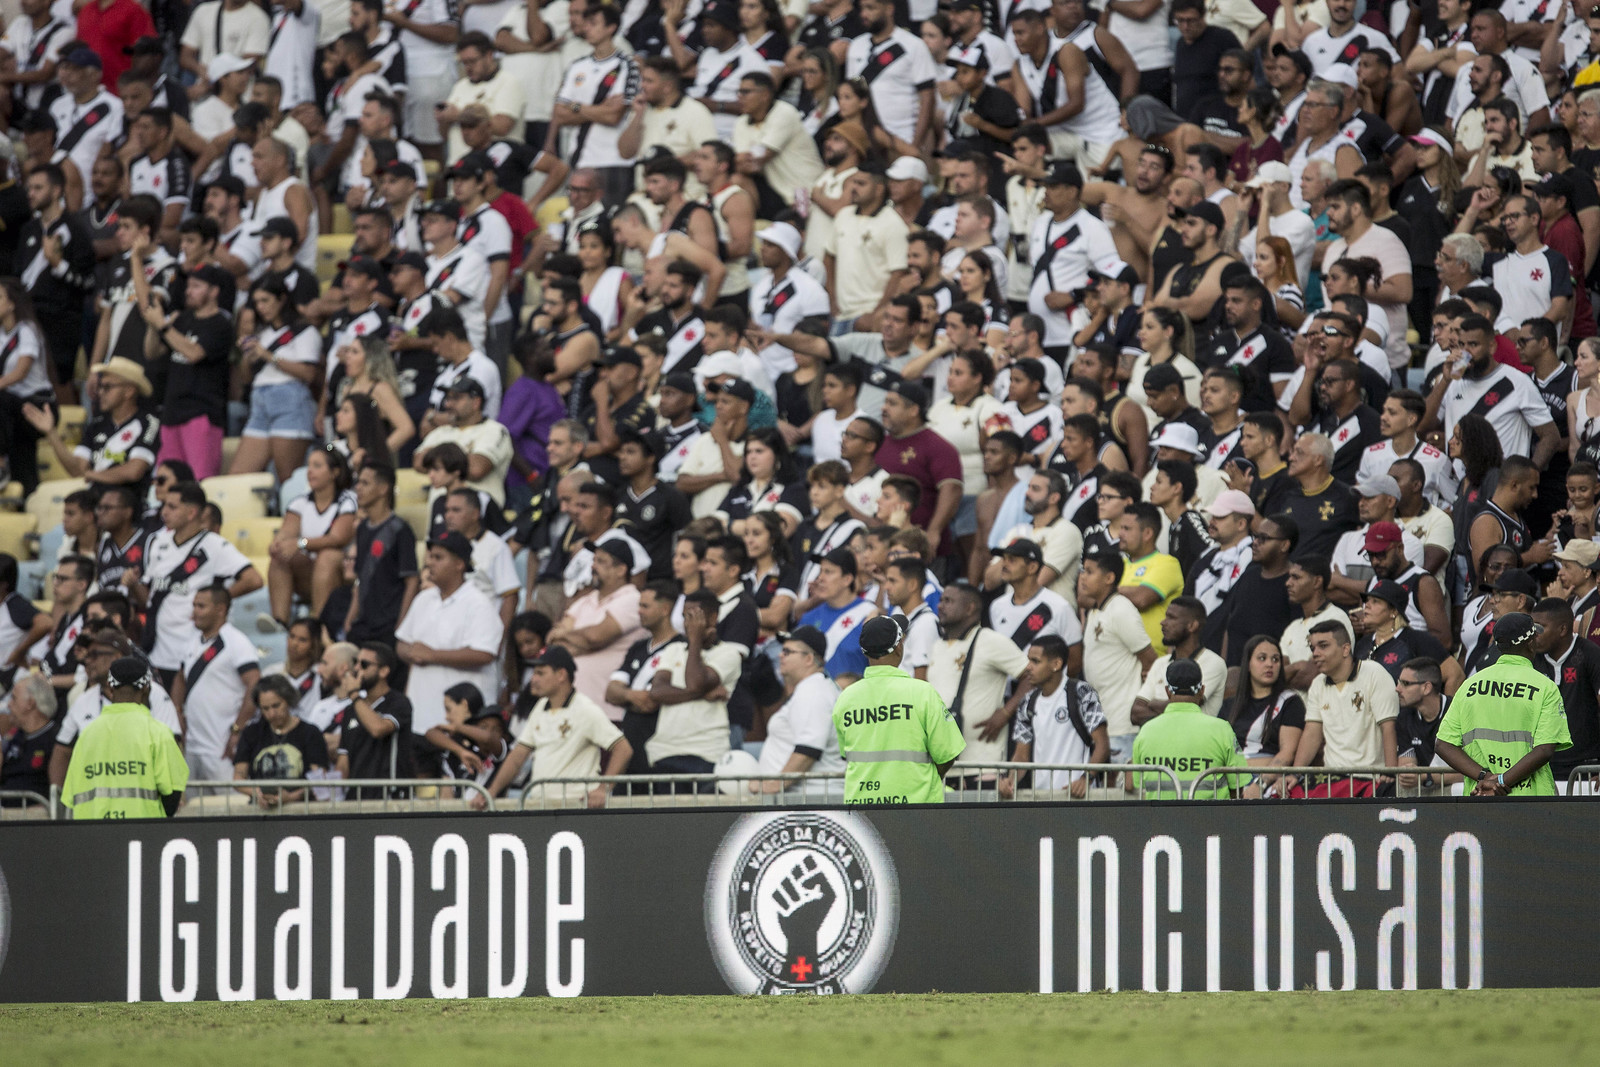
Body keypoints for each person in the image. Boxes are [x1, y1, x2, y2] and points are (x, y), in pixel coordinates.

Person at [125, 480, 262, 688]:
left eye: (172, 507)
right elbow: (150, 600)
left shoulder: (215, 546)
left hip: (191, 649)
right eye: (164, 506)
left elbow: (254, 579)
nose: (164, 512)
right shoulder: (158, 543)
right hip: (157, 651)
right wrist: (134, 584)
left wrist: (216, 600)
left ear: (191, 513)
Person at [395, 532, 505, 775]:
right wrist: (412, 652)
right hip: (422, 718)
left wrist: (433, 655)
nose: (429, 563)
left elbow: (485, 653)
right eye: (430, 556)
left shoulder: (478, 603)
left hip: (462, 725)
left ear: (459, 564)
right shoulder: (424, 598)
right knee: (422, 795)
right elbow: (401, 644)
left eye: (438, 557)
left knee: (460, 793)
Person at [474, 645, 632, 809]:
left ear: (561, 675)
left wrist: (603, 789)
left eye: (540, 673)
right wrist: (491, 791)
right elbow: (518, 756)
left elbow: (623, 748)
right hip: (542, 805)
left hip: (577, 805)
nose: (533, 679)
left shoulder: (585, 709)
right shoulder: (541, 706)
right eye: (534, 672)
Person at [831, 613, 965, 804]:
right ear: (899, 647)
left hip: (862, 809)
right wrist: (926, 780)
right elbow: (948, 754)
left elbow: (848, 755)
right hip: (916, 807)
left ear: (865, 652)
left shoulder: (845, 698)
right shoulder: (922, 692)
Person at [1437, 611, 1570, 797]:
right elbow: (1545, 749)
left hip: (1480, 797)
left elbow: (1443, 744)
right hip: (1533, 802)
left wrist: (1485, 777)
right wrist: (1500, 782)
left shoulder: (1470, 684)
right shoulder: (1545, 687)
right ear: (1531, 644)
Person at [61, 655, 188, 819]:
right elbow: (172, 800)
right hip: (143, 837)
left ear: (111, 689)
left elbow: (71, 795)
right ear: (146, 688)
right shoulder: (159, 733)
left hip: (92, 838)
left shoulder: (86, 735)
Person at [1293, 618, 1399, 795]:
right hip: (1332, 778)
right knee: (1284, 792)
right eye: (1313, 648)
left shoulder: (1374, 673)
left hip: (1369, 777)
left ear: (1345, 649)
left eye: (1323, 646)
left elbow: (1388, 727)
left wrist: (1389, 773)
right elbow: (1312, 733)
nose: (1315, 653)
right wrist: (1295, 774)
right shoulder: (1318, 684)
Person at [647, 589, 741, 781]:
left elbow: (695, 682)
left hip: (707, 751)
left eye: (692, 617)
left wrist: (695, 639)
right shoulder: (673, 650)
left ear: (713, 618)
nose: (687, 624)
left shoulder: (729, 654)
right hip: (665, 751)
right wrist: (701, 694)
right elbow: (657, 692)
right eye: (684, 617)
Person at [1004, 634, 1108, 798]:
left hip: (1079, 797)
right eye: (1028, 660)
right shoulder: (1027, 702)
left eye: (1035, 661)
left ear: (1056, 664)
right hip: (1042, 797)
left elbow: (1102, 743)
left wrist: (1085, 779)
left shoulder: (1081, 692)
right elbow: (1021, 755)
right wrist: (1009, 780)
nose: (1028, 667)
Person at [1078, 548, 1157, 762]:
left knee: (1121, 792)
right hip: (1103, 723)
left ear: (1109, 578)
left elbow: (1151, 661)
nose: (1082, 577)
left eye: (1089, 571)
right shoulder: (1096, 610)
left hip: (1123, 724)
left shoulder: (1121, 609)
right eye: (1082, 571)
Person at [749, 625, 845, 796]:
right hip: (805, 798)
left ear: (809, 659)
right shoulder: (813, 688)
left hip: (810, 800)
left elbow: (809, 749)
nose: (780, 655)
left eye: (787, 652)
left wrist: (774, 785)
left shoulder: (813, 691)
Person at [1129, 658, 1247, 798]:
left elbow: (1137, 783)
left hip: (1160, 819)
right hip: (1211, 818)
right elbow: (1238, 786)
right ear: (1201, 690)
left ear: (1168, 691)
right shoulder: (1222, 729)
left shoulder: (1146, 731)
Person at [232, 674, 329, 808]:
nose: (271, 714)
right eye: (265, 709)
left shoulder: (310, 733)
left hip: (300, 809)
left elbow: (319, 780)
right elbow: (238, 777)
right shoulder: (252, 733)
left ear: (288, 700)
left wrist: (290, 797)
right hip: (261, 809)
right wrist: (258, 794)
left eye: (276, 706)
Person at [331, 641, 415, 795]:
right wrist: (331, 793)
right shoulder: (351, 710)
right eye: (355, 662)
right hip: (356, 800)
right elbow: (344, 762)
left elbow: (378, 729)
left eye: (364, 664)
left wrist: (354, 695)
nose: (356, 669)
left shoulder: (398, 702)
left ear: (383, 671)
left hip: (389, 798)